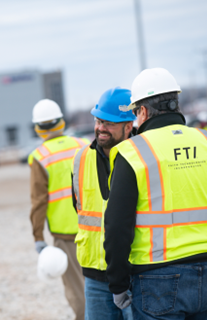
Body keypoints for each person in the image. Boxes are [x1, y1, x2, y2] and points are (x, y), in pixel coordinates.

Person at [104, 68, 207, 319]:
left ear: (143, 111)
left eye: (136, 113)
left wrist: (117, 283)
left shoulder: (133, 152)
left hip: (156, 277)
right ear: (176, 104)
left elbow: (117, 225)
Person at [72, 87, 135, 320]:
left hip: (135, 273)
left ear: (129, 126)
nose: (100, 128)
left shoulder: (143, 157)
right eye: (99, 121)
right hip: (94, 276)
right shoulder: (80, 159)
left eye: (109, 123)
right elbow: (78, 206)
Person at [28, 99, 88, 320]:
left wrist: (38, 237)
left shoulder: (39, 157)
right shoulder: (83, 144)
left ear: (38, 128)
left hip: (66, 235)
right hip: (95, 227)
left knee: (77, 289)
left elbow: (38, 202)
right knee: (101, 285)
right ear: (61, 122)